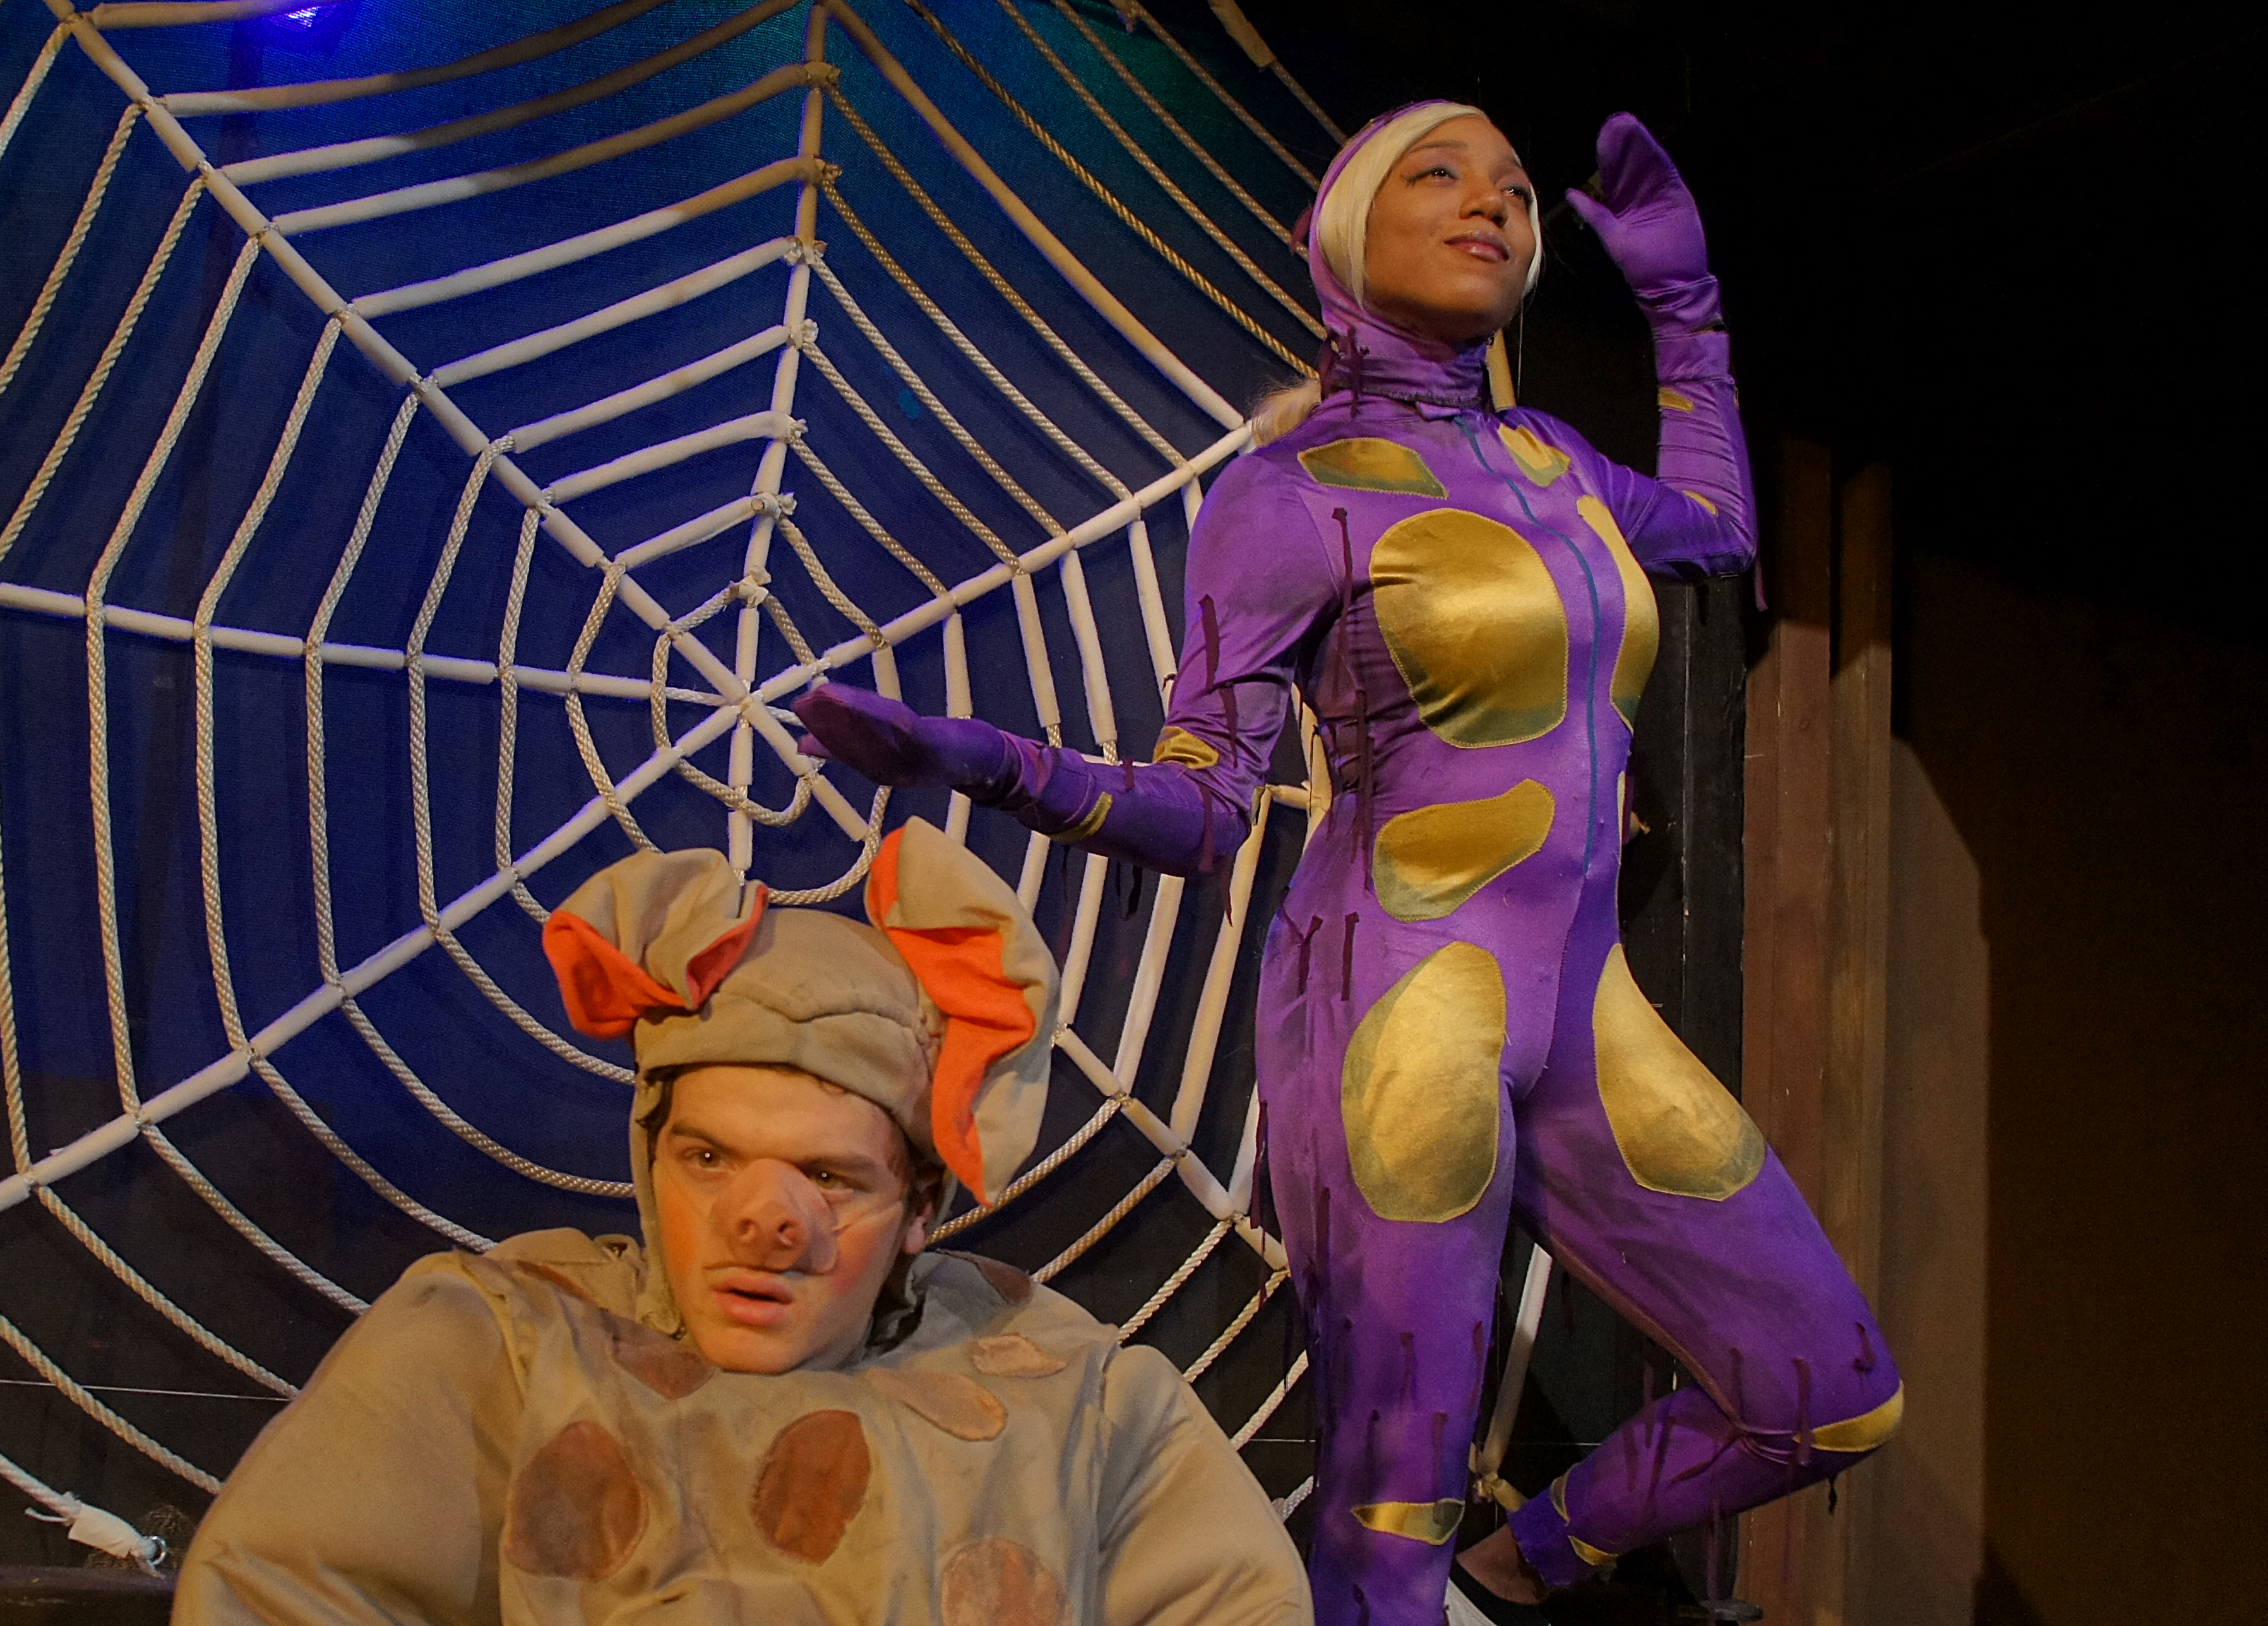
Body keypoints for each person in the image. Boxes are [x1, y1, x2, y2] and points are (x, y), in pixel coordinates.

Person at [792, 107, 1900, 1626]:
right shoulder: (1288, 491)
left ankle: (1517, 1577)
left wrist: (1683, 309)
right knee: (1387, 1525)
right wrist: (986, 764)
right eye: (1439, 176)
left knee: (1826, 1392)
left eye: (1515, 189)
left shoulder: (1553, 457)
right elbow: (1203, 812)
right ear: (1342, 235)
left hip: (1585, 1014)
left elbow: (1708, 531)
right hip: (1394, 1009)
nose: (1493, 205)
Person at [173, 818, 1315, 1626]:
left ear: (922, 1206)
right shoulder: (500, 1348)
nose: (765, 1219)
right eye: (709, 1156)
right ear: (650, 1154)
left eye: (830, 1177)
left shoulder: (1079, 1403)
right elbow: (280, 1590)